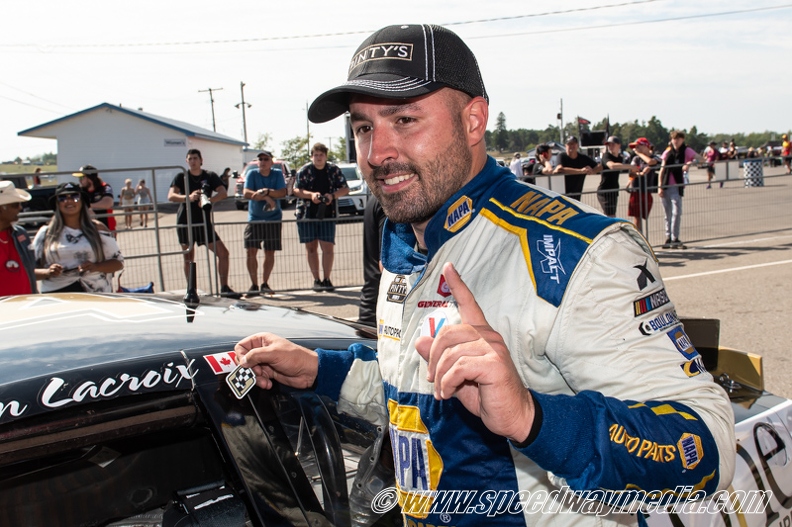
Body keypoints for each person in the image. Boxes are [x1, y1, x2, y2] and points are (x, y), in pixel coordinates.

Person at [235, 24, 735, 527]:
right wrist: (319, 370)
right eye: (363, 128)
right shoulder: (407, 239)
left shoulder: (576, 251)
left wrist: (531, 419)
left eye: (405, 119)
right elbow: (412, 387)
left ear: (473, 121)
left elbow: (708, 447)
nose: (376, 155)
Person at [167, 149, 236, 296]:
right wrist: (189, 197)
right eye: (190, 159)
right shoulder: (181, 176)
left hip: (204, 222)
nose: (193, 161)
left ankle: (224, 288)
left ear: (201, 160)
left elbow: (223, 192)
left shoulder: (209, 176)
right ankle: (191, 290)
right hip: (186, 222)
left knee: (223, 253)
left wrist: (209, 200)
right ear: (186, 161)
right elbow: (171, 196)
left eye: (195, 158)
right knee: (189, 258)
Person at [33, 182, 123, 293]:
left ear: (82, 202)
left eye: (75, 196)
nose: (69, 200)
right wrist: (47, 272)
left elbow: (118, 263)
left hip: (96, 294)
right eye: (62, 197)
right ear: (57, 204)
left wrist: (96, 266)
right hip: (57, 296)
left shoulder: (98, 229)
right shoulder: (45, 233)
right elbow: (29, 271)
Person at [293, 142, 349, 292]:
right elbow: (296, 190)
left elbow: (345, 188)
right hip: (306, 214)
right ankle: (316, 279)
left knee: (327, 247)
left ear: (326, 156)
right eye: (316, 155)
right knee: (311, 247)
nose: (318, 157)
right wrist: (311, 195)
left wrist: (332, 196)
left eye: (321, 154)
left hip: (327, 214)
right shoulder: (304, 170)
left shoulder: (333, 169)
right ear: (311, 156)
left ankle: (327, 279)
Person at [242, 150, 287, 296]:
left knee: (269, 252)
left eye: (266, 159)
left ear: (271, 162)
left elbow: (282, 192)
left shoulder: (277, 173)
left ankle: (265, 284)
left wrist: (266, 192)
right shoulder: (252, 174)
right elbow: (247, 193)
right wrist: (267, 198)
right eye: (260, 159)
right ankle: (254, 285)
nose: (262, 161)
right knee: (251, 251)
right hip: (255, 219)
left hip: (273, 219)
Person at [0, 180, 51, 295]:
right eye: (15, 204)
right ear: (2, 208)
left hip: (26, 306)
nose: (20, 208)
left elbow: (27, 270)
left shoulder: (20, 234)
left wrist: (47, 272)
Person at [658, 131, 699, 249]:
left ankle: (675, 237)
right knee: (667, 213)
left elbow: (700, 159)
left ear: (682, 140)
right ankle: (668, 237)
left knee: (677, 212)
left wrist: (690, 163)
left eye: (678, 139)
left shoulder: (686, 151)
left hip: (676, 185)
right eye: (674, 139)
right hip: (666, 185)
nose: (676, 141)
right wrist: (660, 186)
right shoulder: (667, 152)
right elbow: (662, 170)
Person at [358, 194, 386, 326]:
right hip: (381, 312)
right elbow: (386, 264)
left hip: (373, 307)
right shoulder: (390, 202)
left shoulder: (378, 199)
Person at [627, 137, 659, 231]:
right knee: (637, 217)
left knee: (644, 215)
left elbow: (651, 162)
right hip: (636, 190)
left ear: (646, 146)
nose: (636, 149)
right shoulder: (636, 158)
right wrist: (639, 174)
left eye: (638, 146)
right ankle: (639, 239)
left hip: (647, 190)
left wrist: (639, 153)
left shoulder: (654, 157)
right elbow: (631, 172)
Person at [599, 136, 636, 217]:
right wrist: (630, 166)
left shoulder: (620, 158)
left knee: (612, 214)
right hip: (604, 190)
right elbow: (612, 166)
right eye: (609, 145)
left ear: (619, 145)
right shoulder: (606, 156)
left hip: (614, 189)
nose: (610, 147)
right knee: (609, 215)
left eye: (613, 144)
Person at [554, 135, 601, 201]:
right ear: (565, 146)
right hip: (562, 195)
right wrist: (581, 171)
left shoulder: (583, 157)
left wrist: (592, 171)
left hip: (577, 195)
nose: (572, 146)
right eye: (569, 144)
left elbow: (599, 166)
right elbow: (560, 169)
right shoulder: (561, 156)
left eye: (574, 144)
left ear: (577, 145)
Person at [73, 165, 116, 232]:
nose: (79, 180)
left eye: (81, 177)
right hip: (88, 230)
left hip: (107, 229)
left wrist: (89, 206)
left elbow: (108, 203)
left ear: (90, 178)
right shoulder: (80, 190)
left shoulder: (104, 187)